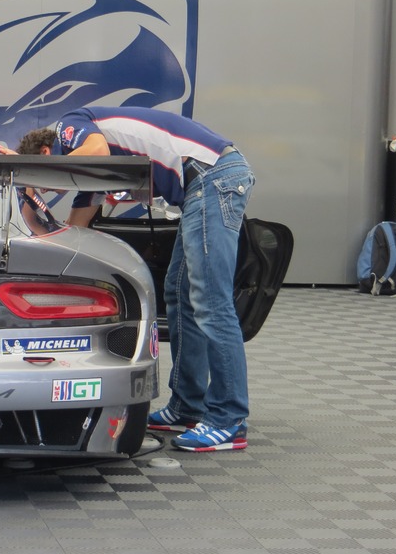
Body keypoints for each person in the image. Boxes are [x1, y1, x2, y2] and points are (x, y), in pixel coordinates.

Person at [15, 106, 255, 452]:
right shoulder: (92, 175)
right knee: (179, 294)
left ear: (45, 152)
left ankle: (229, 419)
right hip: (203, 184)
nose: (49, 189)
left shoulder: (72, 124)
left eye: (43, 178)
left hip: (214, 176)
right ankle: (188, 407)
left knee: (210, 302)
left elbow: (96, 151)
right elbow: (72, 231)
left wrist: (33, 174)